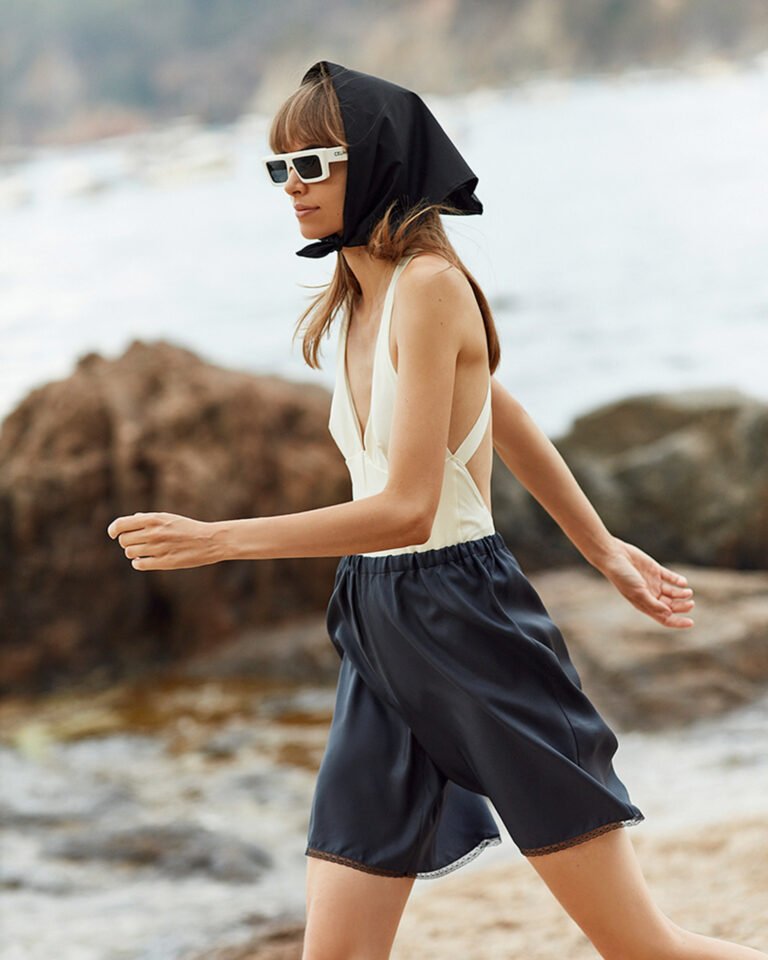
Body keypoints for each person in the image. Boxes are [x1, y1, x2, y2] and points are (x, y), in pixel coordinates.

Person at [107, 62, 767, 960]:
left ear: (375, 159)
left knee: (642, 946)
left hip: (467, 623)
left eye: (315, 163)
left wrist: (221, 539)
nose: (293, 188)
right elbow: (501, 406)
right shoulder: (353, 299)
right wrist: (603, 546)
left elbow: (409, 510)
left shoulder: (427, 287)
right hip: (378, 628)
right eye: (280, 168)